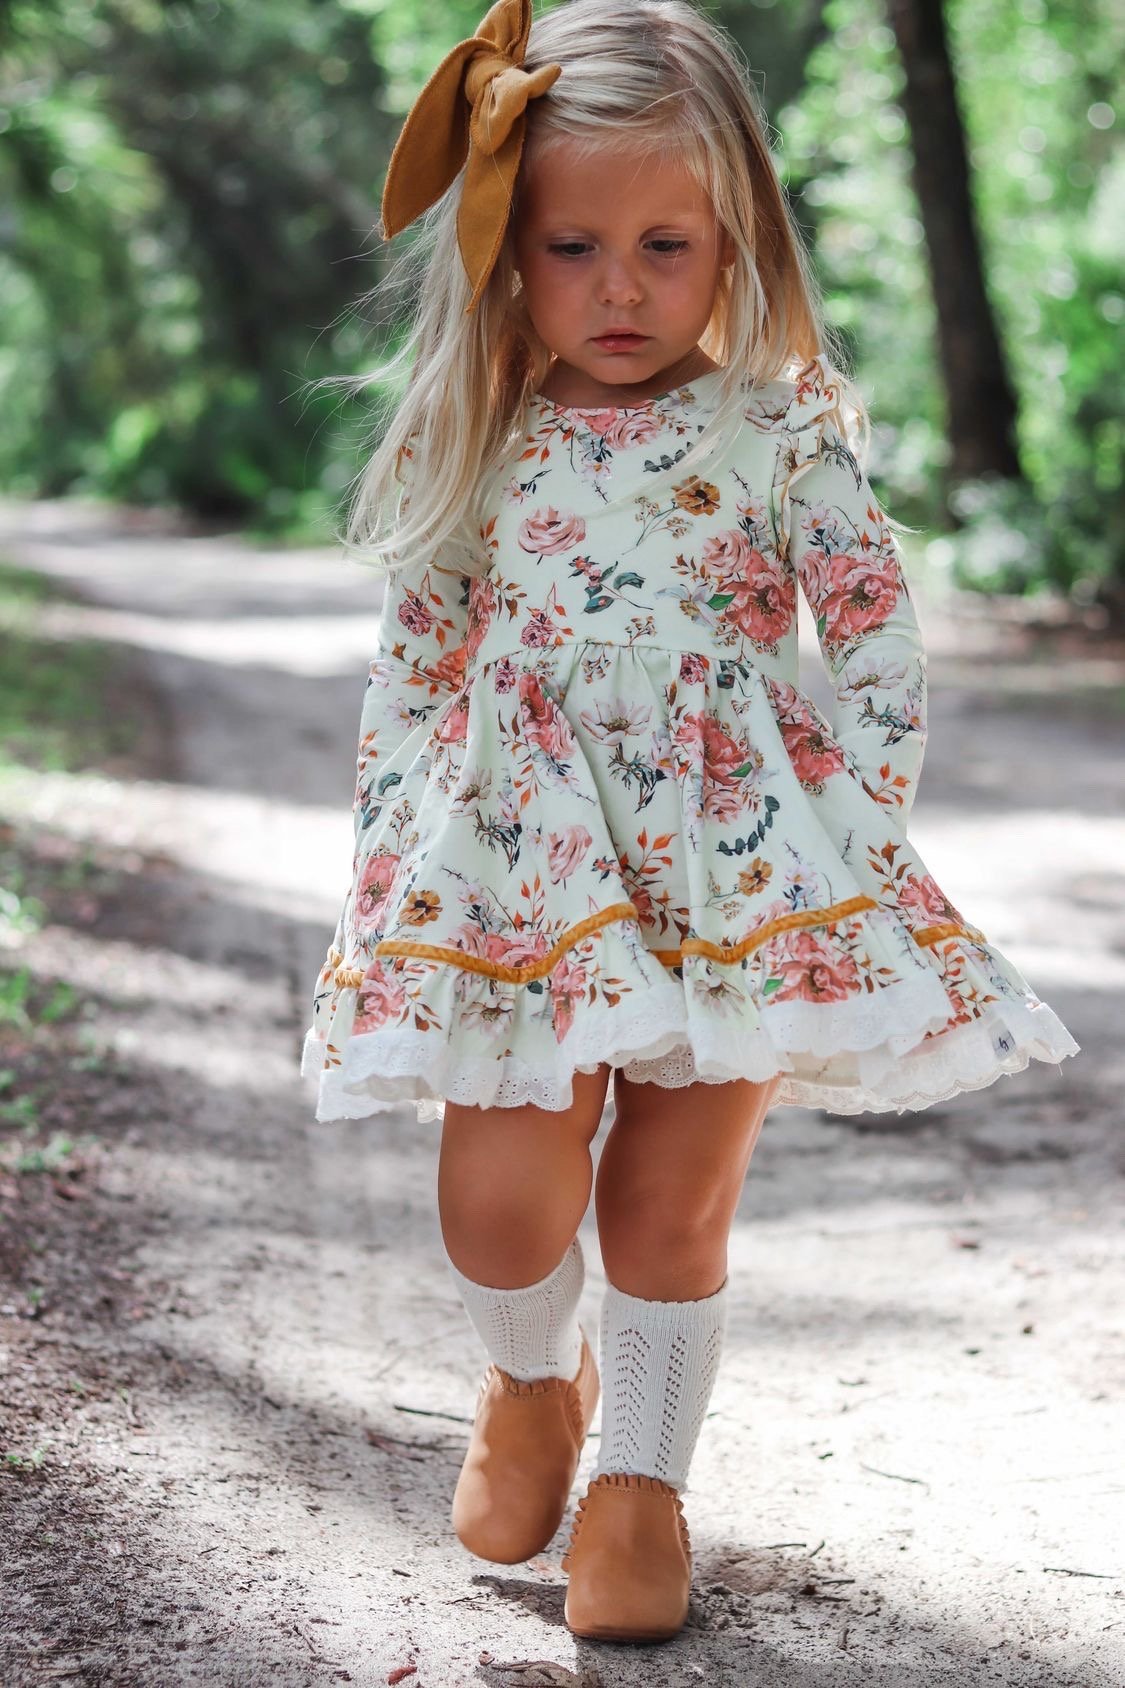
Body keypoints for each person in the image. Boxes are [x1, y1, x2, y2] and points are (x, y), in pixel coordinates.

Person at [300, 0, 1079, 1645]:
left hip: (739, 872)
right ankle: (531, 1380)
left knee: (668, 1202)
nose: (621, 289)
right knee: (497, 1197)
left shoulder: (778, 423)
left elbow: (868, 625)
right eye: (573, 247)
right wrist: (383, 864)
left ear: (736, 238)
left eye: (665, 245)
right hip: (515, 874)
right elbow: (419, 656)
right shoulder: (480, 424)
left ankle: (639, 1488)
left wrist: (853, 825)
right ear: (508, 251)